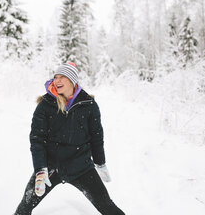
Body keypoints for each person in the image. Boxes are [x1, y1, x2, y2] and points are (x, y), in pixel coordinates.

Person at [14, 62, 125, 215]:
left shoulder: (89, 105)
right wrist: (40, 170)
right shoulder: (45, 104)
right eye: (55, 77)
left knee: (107, 207)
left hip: (81, 166)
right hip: (51, 168)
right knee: (24, 207)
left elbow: (96, 137)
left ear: (72, 81)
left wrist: (100, 162)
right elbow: (37, 139)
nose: (57, 81)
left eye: (62, 77)